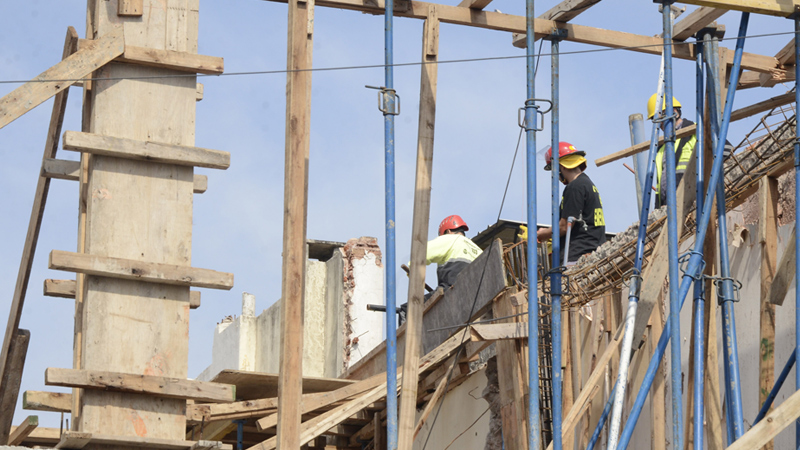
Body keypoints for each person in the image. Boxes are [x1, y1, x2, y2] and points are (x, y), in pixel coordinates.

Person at [647, 93, 732, 208]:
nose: (659, 125)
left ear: (674, 112)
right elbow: (660, 187)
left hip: (695, 200)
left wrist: (706, 181)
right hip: (670, 207)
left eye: (660, 118)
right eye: (655, 120)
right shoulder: (661, 149)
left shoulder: (696, 131)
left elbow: (726, 150)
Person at [399, 215, 482, 325]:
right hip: (478, 299)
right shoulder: (478, 249)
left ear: (447, 231)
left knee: (407, 309)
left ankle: (406, 341)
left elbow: (422, 253)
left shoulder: (450, 239)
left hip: (452, 292)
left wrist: (412, 270)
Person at [535, 142, 606, 264]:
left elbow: (564, 227)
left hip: (577, 256)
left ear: (561, 167)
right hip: (592, 251)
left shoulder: (575, 187)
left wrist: (540, 235)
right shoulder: (588, 185)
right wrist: (549, 232)